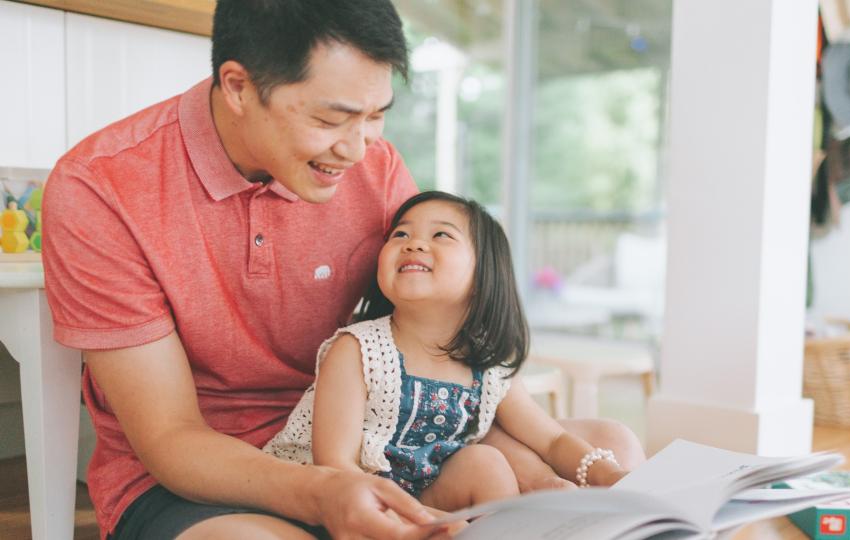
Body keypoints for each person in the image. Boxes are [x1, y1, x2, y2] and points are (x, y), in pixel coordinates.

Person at [41, 0, 642, 538]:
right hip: (203, 478)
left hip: (374, 438)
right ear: (238, 87)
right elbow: (171, 439)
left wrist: (539, 474)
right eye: (331, 120)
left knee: (612, 447)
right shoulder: (100, 189)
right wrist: (329, 490)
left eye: (377, 115)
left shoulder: (372, 166)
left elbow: (429, 334)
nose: (359, 149)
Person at [264, 191, 634, 510]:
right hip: (347, 496)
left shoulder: (488, 367)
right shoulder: (357, 350)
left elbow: (551, 440)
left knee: (484, 464)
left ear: (483, 273)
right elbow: (335, 464)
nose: (414, 243)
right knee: (485, 467)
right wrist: (409, 519)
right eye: (400, 234)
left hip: (424, 493)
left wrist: (609, 474)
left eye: (441, 234)